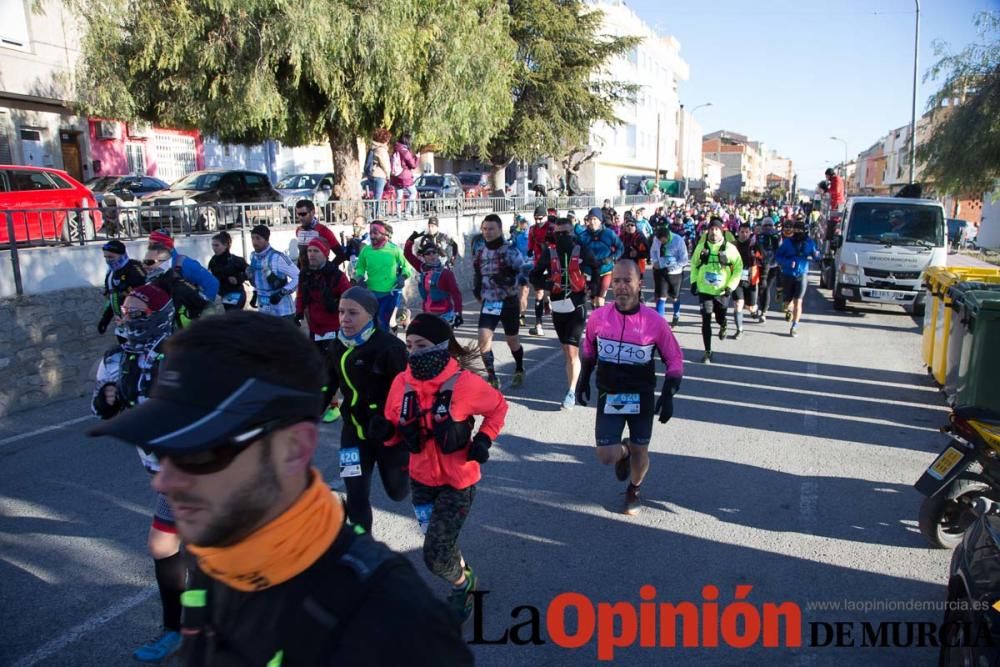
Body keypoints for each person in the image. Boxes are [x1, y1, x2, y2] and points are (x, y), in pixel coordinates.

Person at [89, 311, 473, 665]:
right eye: (163, 449)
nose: (164, 479)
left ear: (292, 449)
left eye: (199, 455)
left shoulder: (401, 626)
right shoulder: (217, 559)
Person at [385, 313, 508, 622]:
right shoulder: (401, 383)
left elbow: (498, 407)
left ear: (441, 347)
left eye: (421, 345)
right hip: (421, 482)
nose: (413, 352)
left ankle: (464, 586)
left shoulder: (465, 384)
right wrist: (384, 433)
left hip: (458, 482)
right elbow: (393, 426)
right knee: (442, 544)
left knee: (435, 556)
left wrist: (484, 440)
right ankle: (462, 575)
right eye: (409, 345)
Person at [90, 283, 182, 662]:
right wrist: (107, 402)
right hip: (159, 467)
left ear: (159, 317)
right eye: (126, 312)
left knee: (168, 545)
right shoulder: (117, 359)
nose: (129, 318)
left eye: (138, 313)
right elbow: (103, 412)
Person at [575, 260, 683, 515]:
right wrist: (583, 378)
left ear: (639, 284)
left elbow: (674, 358)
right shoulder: (599, 317)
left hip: (641, 395)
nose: (622, 287)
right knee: (606, 455)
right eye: (617, 281)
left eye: (628, 281)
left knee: (641, 450)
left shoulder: (654, 321)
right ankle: (624, 451)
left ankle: (634, 488)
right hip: (610, 394)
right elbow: (589, 348)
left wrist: (669, 393)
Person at [322, 287, 412, 533]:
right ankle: (363, 547)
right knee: (356, 494)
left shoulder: (389, 347)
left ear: (370, 315)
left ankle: (413, 470)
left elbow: (408, 393)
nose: (344, 319)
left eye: (353, 312)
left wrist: (389, 421)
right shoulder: (336, 345)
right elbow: (327, 384)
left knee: (398, 492)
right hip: (353, 433)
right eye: (341, 312)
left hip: (388, 435)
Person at [529, 217, 595, 410]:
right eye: (558, 233)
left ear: (573, 233)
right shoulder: (550, 254)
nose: (562, 237)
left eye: (566, 233)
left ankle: (572, 391)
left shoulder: (581, 249)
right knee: (567, 351)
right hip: (558, 305)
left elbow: (595, 267)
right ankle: (572, 387)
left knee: (573, 350)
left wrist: (591, 284)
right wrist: (547, 284)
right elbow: (534, 275)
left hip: (577, 304)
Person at [296, 237, 352, 423]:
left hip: (334, 327)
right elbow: (301, 295)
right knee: (321, 366)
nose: (311, 255)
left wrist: (337, 304)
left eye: (316, 251)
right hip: (315, 327)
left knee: (337, 367)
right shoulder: (305, 274)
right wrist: (298, 312)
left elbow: (349, 297)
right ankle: (331, 404)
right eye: (309, 251)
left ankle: (346, 403)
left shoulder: (336, 275)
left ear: (325, 254)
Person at [472, 213, 525, 389]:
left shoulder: (510, 251)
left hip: (509, 302)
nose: (487, 232)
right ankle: (492, 376)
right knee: (483, 339)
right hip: (490, 303)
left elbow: (524, 274)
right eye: (485, 229)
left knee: (512, 340)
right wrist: (477, 290)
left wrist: (517, 289)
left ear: (500, 230)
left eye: (491, 228)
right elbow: (478, 273)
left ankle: (519, 368)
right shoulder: (480, 252)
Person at [690, 218, 743, 363]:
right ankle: (708, 351)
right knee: (706, 318)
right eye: (711, 229)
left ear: (722, 231)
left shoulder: (730, 249)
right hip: (704, 289)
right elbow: (694, 265)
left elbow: (738, 269)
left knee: (719, 317)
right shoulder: (701, 247)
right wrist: (694, 282)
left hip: (721, 291)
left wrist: (730, 287)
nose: (713, 232)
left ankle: (723, 323)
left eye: (716, 229)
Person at [144, 230, 219, 326]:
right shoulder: (153, 263)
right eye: (149, 244)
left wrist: (200, 309)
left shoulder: (184, 263)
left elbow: (212, 283)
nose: (150, 247)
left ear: (165, 245)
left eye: (154, 244)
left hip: (186, 320)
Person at [354, 220, 413, 330]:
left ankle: (384, 343)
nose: (372, 236)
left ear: (383, 234)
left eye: (375, 233)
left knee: (383, 323)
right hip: (371, 292)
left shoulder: (394, 250)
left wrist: (403, 277)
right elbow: (360, 268)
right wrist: (360, 277)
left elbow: (407, 267)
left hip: (389, 293)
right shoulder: (366, 250)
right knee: (371, 323)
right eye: (371, 233)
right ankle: (402, 315)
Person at [404, 233, 463, 325]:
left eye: (434, 252)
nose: (432, 255)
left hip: (445, 315)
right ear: (423, 256)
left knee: (443, 339)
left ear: (437, 254)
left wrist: (458, 313)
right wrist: (411, 239)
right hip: (428, 314)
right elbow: (407, 254)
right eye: (428, 253)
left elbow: (456, 293)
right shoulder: (422, 268)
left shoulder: (446, 273)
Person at [776, 219, 821, 337]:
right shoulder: (787, 243)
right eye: (795, 230)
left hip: (802, 275)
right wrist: (787, 262)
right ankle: (788, 308)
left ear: (805, 231)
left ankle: (794, 326)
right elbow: (778, 257)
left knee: (798, 301)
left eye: (800, 231)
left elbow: (816, 255)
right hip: (788, 275)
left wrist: (817, 255)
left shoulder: (810, 243)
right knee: (787, 301)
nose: (797, 233)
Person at [247, 224, 299, 319]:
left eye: (258, 238)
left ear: (266, 239)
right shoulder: (253, 257)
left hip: (283, 312)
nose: (254, 242)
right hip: (264, 311)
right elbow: (259, 279)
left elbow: (299, 276)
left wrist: (282, 293)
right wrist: (255, 294)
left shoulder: (278, 257)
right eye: (252, 238)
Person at [98, 239, 146, 341]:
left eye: (111, 257)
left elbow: (144, 294)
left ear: (122, 255)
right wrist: (105, 319)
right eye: (106, 257)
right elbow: (112, 298)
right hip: (121, 324)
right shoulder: (110, 273)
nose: (108, 260)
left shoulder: (134, 268)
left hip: (138, 323)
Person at [577, 207, 623, 309]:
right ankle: (596, 320)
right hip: (590, 271)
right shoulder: (582, 236)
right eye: (590, 219)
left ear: (600, 220)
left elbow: (620, 248)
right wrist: (582, 264)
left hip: (605, 270)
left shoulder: (609, 234)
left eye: (595, 219)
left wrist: (612, 258)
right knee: (593, 300)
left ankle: (600, 323)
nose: (592, 222)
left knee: (600, 299)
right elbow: (577, 254)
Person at [650, 225, 689, 326]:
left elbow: (684, 260)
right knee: (661, 297)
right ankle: (661, 323)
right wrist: (655, 262)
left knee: (675, 297)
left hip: (675, 273)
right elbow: (653, 251)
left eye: (663, 241)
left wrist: (673, 267)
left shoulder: (678, 240)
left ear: (667, 237)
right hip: (662, 271)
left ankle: (676, 314)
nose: (661, 243)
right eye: (660, 241)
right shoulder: (656, 239)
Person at [731, 222, 763, 339]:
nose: (744, 234)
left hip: (751, 279)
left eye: (746, 232)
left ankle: (754, 309)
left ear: (750, 233)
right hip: (736, 278)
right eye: (742, 232)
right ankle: (739, 330)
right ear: (738, 232)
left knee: (750, 306)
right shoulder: (733, 245)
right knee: (738, 304)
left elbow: (762, 258)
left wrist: (757, 253)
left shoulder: (754, 244)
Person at [525, 205, 553, 335]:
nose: (537, 221)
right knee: (538, 294)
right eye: (535, 218)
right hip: (538, 264)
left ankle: (548, 301)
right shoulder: (532, 230)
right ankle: (538, 325)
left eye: (540, 218)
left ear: (546, 217)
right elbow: (530, 245)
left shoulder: (552, 228)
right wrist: (530, 250)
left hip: (551, 263)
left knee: (551, 290)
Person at [294, 199, 344, 268]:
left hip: (320, 276)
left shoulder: (323, 231)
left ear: (312, 212)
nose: (300, 217)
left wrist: (328, 269)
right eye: (298, 214)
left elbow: (341, 255)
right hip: (304, 275)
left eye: (303, 214)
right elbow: (302, 254)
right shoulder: (298, 230)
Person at [207, 231, 248, 312]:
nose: (214, 248)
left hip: (235, 293)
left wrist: (238, 279)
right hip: (221, 294)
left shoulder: (236, 260)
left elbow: (250, 273)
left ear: (225, 245)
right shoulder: (213, 260)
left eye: (217, 245)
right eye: (212, 245)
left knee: (231, 317)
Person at [755, 217, 782, 322]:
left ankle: (763, 311)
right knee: (760, 287)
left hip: (773, 266)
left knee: (766, 287)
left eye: (770, 225)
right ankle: (759, 306)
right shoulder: (758, 236)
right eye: (766, 225)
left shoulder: (778, 237)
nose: (768, 227)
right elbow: (752, 247)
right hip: (760, 266)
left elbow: (781, 250)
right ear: (762, 226)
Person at [391, 132, 419, 219]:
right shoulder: (405, 151)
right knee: (413, 192)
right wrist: (417, 157)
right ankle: (407, 213)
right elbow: (413, 165)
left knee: (399, 195)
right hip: (405, 176)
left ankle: (398, 215)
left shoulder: (395, 149)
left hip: (396, 176)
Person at [367, 128, 392, 219]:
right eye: (387, 139)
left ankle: (375, 214)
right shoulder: (381, 150)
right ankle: (376, 215)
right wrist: (388, 175)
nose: (388, 141)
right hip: (380, 175)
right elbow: (385, 164)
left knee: (376, 195)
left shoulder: (374, 148)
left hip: (374, 175)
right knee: (378, 195)